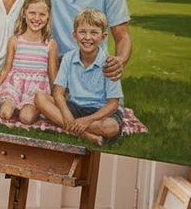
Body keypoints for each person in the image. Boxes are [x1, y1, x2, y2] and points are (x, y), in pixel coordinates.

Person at [34, 8, 124, 145]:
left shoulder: (109, 64)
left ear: (103, 37)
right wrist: (67, 115)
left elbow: (113, 104)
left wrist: (87, 120)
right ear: (75, 35)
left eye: (94, 32)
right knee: (40, 97)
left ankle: (71, 126)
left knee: (111, 128)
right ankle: (86, 134)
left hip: (100, 112)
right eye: (82, 32)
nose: (87, 37)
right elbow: (58, 93)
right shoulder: (68, 58)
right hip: (75, 107)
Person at [0, 0, 58, 124]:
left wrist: (57, 100)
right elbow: (6, 68)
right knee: (5, 113)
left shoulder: (50, 44)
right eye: (32, 13)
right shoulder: (15, 40)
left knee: (26, 118)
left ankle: (34, 109)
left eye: (42, 14)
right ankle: (13, 104)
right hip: (14, 86)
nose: (37, 18)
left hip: (35, 91)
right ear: (24, 13)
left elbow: (53, 75)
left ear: (48, 16)